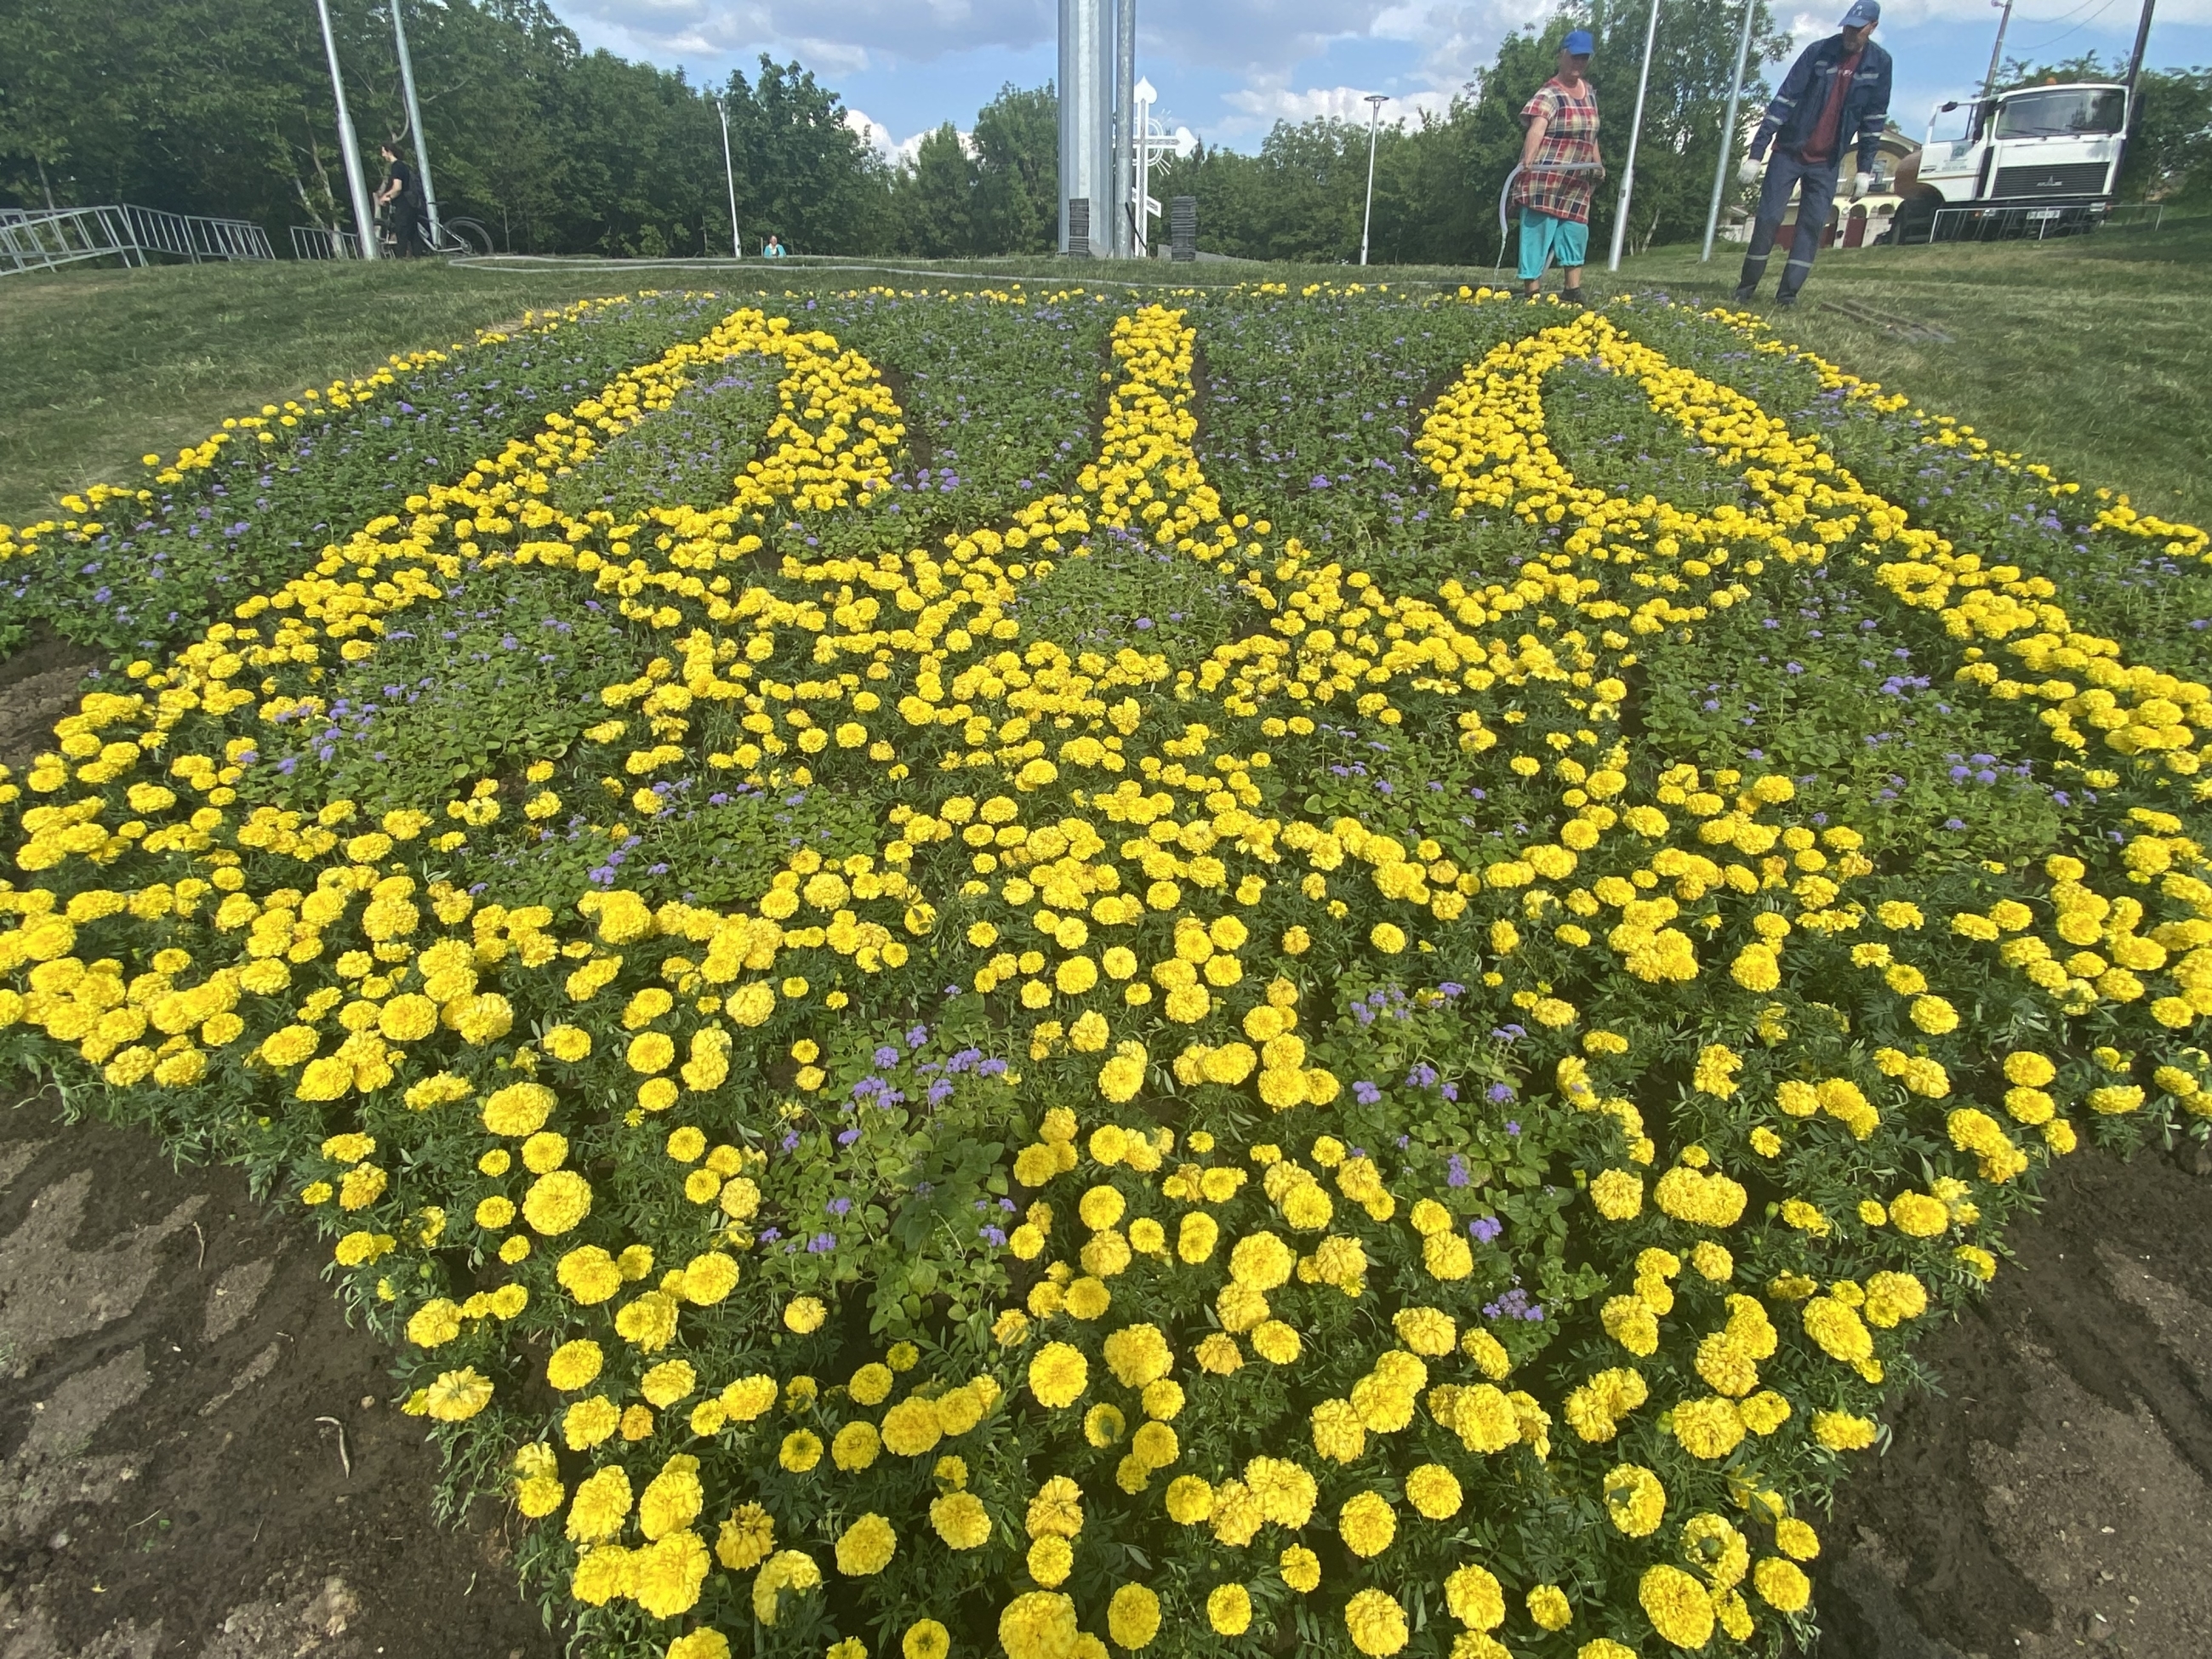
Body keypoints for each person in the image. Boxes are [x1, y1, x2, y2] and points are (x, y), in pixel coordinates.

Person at [1733, 0, 1892, 307]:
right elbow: (1784, 100)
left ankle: (1787, 295)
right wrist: (1756, 153)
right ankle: (1746, 288)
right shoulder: (1819, 53)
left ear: (1872, 28)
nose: (1850, 33)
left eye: (1857, 29)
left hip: (1828, 161)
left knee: (1811, 225)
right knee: (1768, 218)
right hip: (1789, 152)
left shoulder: (1879, 64)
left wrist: (1864, 169)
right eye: (1847, 26)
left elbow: (1873, 120)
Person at [1512, 30, 1604, 305]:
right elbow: (1537, 128)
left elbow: (1592, 132)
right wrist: (1528, 160)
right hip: (1545, 178)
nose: (1579, 63)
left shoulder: (1589, 94)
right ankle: (1532, 292)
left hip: (1576, 180)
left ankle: (1572, 291)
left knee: (1575, 231)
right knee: (1538, 232)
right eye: (1575, 56)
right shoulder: (1549, 93)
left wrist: (1597, 163)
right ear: (1562, 55)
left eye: (1584, 58)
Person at [376, 142, 427, 257]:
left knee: (402, 233)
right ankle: (418, 257)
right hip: (411, 204)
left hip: (404, 205)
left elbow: (397, 188)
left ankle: (401, 259)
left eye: (383, 152)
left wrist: (386, 197)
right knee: (413, 234)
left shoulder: (396, 166)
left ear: (389, 152)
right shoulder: (403, 166)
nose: (383, 155)